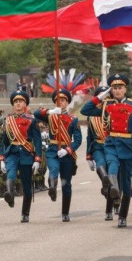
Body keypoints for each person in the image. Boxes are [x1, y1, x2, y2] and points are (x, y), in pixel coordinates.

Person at [81, 74, 132, 228]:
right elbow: (85, 110)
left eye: (120, 88)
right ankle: (114, 188)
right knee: (112, 165)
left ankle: (123, 216)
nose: (117, 91)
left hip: (128, 145)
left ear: (125, 89)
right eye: (114, 88)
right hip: (111, 143)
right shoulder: (105, 105)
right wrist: (98, 98)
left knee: (127, 185)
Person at [34, 88, 82, 222]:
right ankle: (53, 188)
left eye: (63, 100)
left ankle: (65, 212)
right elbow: (36, 114)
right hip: (53, 150)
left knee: (66, 184)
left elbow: (77, 140)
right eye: (57, 101)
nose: (60, 103)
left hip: (66, 153)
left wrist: (68, 150)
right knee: (53, 170)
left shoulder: (73, 119)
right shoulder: (51, 116)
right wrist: (50, 111)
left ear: (67, 102)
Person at [0, 90, 42, 223]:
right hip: (12, 152)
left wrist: (37, 159)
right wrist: (1, 159)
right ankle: (10, 194)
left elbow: (37, 140)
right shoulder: (8, 120)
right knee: (10, 173)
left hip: (26, 153)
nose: (18, 104)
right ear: (13, 104)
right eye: (16, 102)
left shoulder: (32, 120)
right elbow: (4, 141)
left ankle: (25, 213)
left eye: (21, 101)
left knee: (27, 185)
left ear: (25, 104)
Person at [85, 86, 115, 221]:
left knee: (114, 179)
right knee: (101, 167)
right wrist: (88, 156)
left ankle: (110, 209)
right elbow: (89, 137)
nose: (105, 100)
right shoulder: (92, 116)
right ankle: (105, 181)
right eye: (103, 98)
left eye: (108, 98)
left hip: (113, 147)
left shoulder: (114, 112)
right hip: (98, 147)